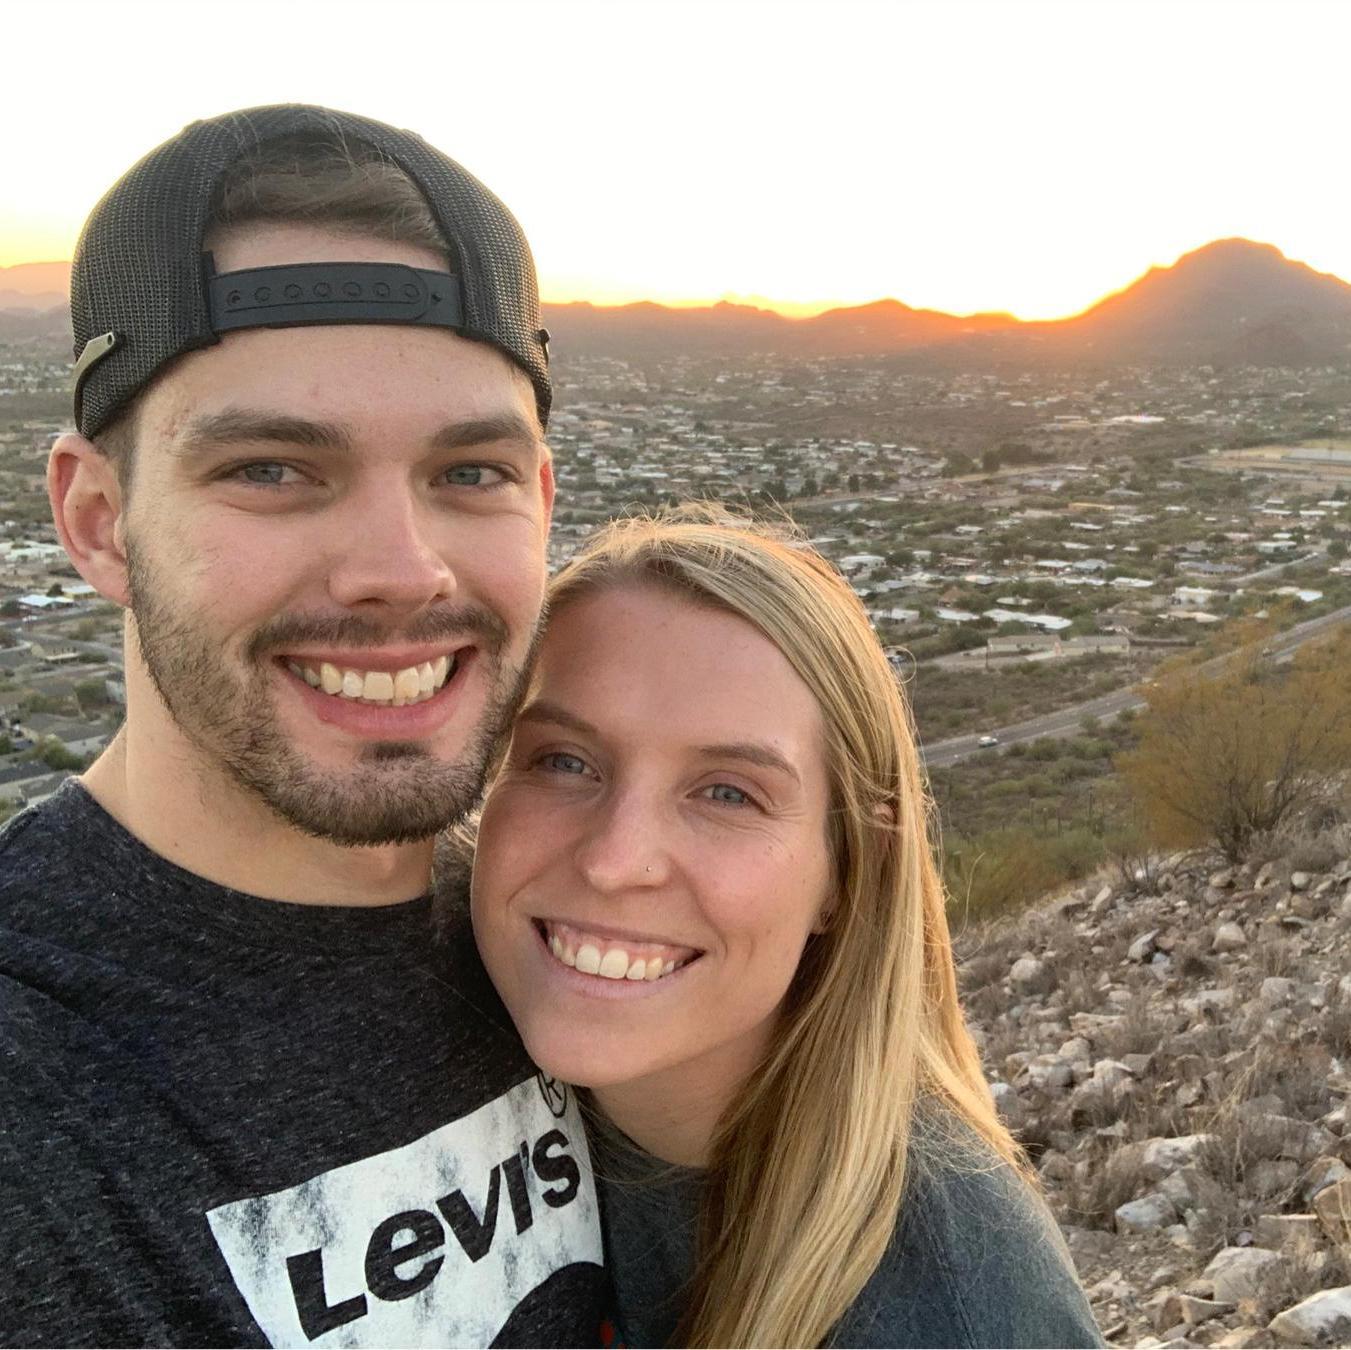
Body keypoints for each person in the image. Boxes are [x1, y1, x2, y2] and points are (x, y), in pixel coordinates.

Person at [1, 105, 606, 1347]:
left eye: (470, 472)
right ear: (99, 521)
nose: (401, 569)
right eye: (270, 468)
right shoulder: (36, 1086)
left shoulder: (581, 939)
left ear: (542, 502)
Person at [470, 506, 1105, 1348]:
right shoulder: (419, 1030)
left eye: (727, 793)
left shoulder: (950, 1309)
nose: (615, 861)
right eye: (562, 761)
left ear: (847, 872)